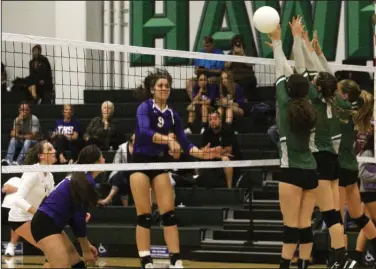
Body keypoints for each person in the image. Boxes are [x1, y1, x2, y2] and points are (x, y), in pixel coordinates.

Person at [131, 69, 223, 269]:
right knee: (144, 215)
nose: (164, 88)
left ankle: (175, 259)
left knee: (169, 214)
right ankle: (146, 260)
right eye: (160, 85)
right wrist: (168, 140)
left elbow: (186, 143)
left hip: (159, 164)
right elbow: (145, 132)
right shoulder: (144, 107)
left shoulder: (172, 115)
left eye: (167, 86)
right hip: (140, 163)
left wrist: (204, 154)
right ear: (152, 89)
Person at [295, 17, 354, 268]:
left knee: (324, 214)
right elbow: (328, 76)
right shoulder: (338, 101)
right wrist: (315, 51)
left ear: (317, 88)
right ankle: (340, 258)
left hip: (318, 158)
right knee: (332, 214)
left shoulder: (315, 99)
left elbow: (300, 71)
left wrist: (298, 40)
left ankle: (336, 259)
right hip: (332, 159)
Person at [269, 20, 318, 269]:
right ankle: (304, 265)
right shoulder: (311, 105)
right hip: (311, 172)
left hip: (291, 173)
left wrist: (277, 42)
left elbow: (280, 70)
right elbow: (301, 71)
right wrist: (296, 39)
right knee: (305, 223)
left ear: (288, 91)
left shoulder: (286, 106)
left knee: (290, 225)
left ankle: (284, 266)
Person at [30, 145, 103, 268]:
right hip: (45, 223)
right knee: (61, 265)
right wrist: (85, 250)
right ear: (96, 161)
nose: (105, 160)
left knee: (77, 264)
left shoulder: (80, 177)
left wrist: (87, 244)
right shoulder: (85, 180)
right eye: (103, 157)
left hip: (50, 223)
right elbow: (79, 218)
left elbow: (74, 217)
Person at [334, 79, 376, 262]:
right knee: (359, 217)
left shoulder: (345, 117)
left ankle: (343, 259)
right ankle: (348, 258)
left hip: (346, 171)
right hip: (355, 174)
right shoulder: (359, 121)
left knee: (339, 219)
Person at [356, 134, 376, 268]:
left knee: (368, 225)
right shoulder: (368, 152)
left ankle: (357, 256)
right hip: (369, 193)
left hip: (371, 192)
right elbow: (361, 173)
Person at [99, 134, 135, 207]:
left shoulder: (141, 149)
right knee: (122, 176)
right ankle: (125, 207)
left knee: (123, 179)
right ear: (131, 139)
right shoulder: (122, 148)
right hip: (118, 174)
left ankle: (108, 199)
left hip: (134, 176)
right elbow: (116, 165)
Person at [2, 176, 22, 257]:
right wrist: (22, 190)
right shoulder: (15, 179)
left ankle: (10, 247)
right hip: (5, 207)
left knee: (18, 224)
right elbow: (4, 189)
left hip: (19, 208)